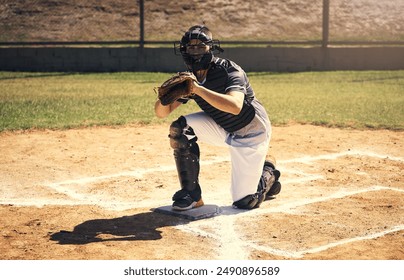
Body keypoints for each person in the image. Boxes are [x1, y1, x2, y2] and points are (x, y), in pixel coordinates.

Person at [154, 25, 281, 211]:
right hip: (222, 126)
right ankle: (191, 195)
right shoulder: (190, 79)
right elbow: (161, 113)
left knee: (246, 201)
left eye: (200, 47)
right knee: (180, 129)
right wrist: (166, 97)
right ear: (183, 50)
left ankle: (268, 170)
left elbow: (235, 106)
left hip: (250, 130)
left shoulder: (228, 70)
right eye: (190, 47)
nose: (195, 51)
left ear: (210, 48)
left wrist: (198, 89)